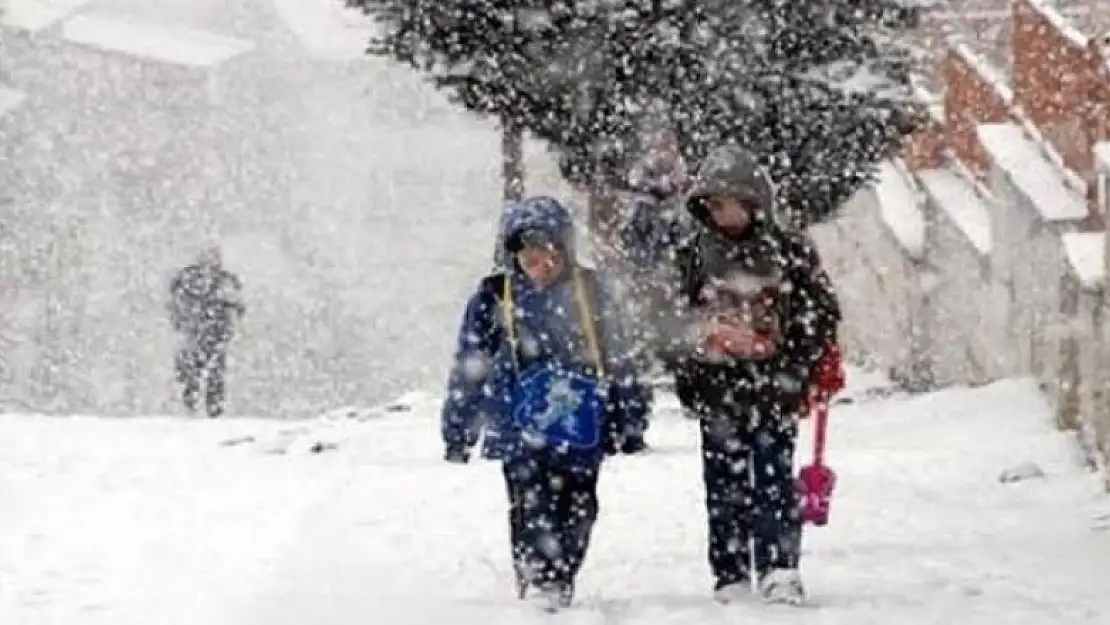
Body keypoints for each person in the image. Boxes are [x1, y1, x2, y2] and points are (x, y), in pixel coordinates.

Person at [620, 144, 841, 605]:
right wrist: (698, 349)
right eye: (715, 205)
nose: (724, 214)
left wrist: (790, 355)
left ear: (755, 201)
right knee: (724, 487)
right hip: (718, 392)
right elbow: (666, 320)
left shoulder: (788, 251)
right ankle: (731, 571)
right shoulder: (692, 256)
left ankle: (780, 565)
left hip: (775, 389)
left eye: (732, 203)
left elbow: (820, 312)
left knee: (775, 481)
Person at [440, 195, 649, 612]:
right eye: (530, 257)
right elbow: (470, 363)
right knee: (529, 500)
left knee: (579, 503)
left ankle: (562, 571)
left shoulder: (591, 292)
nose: (541, 266)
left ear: (565, 251)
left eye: (549, 255)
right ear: (513, 255)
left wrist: (630, 418)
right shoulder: (494, 296)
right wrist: (460, 428)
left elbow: (621, 356)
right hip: (519, 426)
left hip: (582, 425)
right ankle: (538, 574)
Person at [167, 245, 245, 418]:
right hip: (210, 332)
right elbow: (238, 306)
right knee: (210, 371)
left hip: (200, 332)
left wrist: (180, 321)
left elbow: (174, 303)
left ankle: (195, 406)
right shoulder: (223, 280)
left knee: (198, 371)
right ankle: (207, 408)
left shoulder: (186, 278)